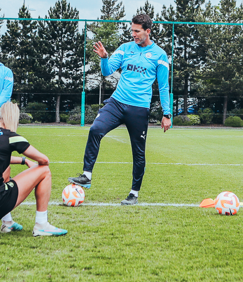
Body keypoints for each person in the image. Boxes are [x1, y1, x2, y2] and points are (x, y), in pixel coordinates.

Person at [68, 13, 171, 206]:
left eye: (137, 31)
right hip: (117, 102)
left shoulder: (160, 55)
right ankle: (87, 175)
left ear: (147, 31)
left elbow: (164, 86)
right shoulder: (124, 49)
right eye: (132, 30)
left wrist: (167, 113)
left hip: (139, 108)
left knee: (138, 153)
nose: (133, 34)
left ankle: (134, 193)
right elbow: (107, 72)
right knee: (95, 130)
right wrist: (104, 58)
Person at [0, 102, 67, 237]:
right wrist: (33, 164)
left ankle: (8, 222)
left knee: (4, 165)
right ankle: (41, 225)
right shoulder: (11, 136)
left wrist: (24, 160)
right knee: (44, 170)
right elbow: (44, 160)